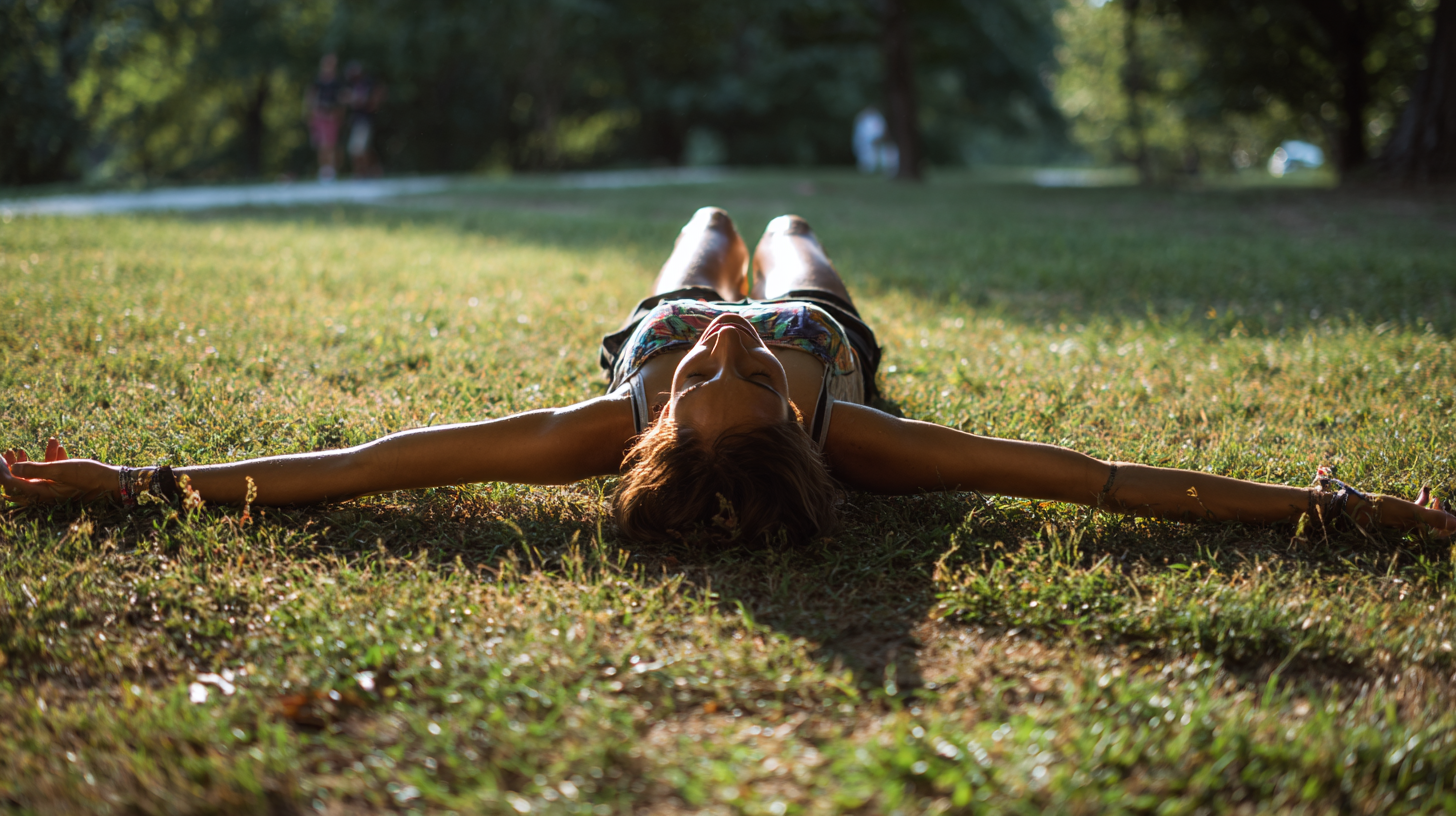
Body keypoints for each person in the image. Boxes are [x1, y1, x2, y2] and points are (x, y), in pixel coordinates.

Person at [3, 208, 1453, 543]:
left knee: (703, 232)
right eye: (735, 366)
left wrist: (138, 484)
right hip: (852, 345)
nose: (728, 346)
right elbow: (1109, 488)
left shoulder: (605, 421)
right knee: (796, 243)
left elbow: (378, 465)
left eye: (719, 367)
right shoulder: (857, 439)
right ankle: (794, 256)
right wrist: (1351, 511)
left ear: (655, 431)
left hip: (643, 299)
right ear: (806, 437)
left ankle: (720, 241)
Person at [344, 61, 385, 179]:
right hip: (356, 120)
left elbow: (378, 96)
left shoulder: (369, 83)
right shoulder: (352, 85)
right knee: (360, 148)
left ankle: (363, 173)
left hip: (365, 120)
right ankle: (370, 171)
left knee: (357, 149)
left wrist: (365, 102)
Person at [307, 54, 344, 181]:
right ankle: (324, 171)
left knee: (331, 145)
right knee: (322, 145)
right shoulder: (318, 81)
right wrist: (311, 115)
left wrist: (337, 114)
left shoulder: (337, 82)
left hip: (332, 117)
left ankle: (332, 170)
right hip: (320, 116)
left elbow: (341, 101)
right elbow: (311, 98)